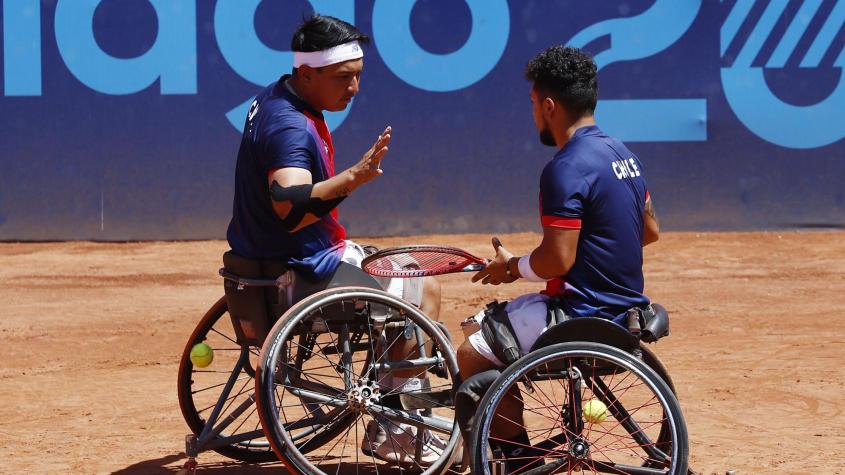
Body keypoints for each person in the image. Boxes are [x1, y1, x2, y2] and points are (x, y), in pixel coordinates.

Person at [225, 14, 444, 465]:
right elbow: (289, 209)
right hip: (302, 271)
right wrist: (354, 178)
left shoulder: (277, 97)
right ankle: (398, 430)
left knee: (395, 270)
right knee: (423, 290)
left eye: (359, 77)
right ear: (308, 74)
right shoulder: (289, 127)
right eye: (344, 78)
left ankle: (397, 399)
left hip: (262, 265)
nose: (355, 88)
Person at [455, 45, 660, 472]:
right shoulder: (624, 155)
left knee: (472, 353)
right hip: (626, 313)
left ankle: (518, 461)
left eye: (533, 104)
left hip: (581, 314)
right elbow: (649, 232)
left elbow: (557, 260)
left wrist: (511, 268)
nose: (533, 114)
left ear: (549, 106)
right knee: (487, 326)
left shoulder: (565, 166)